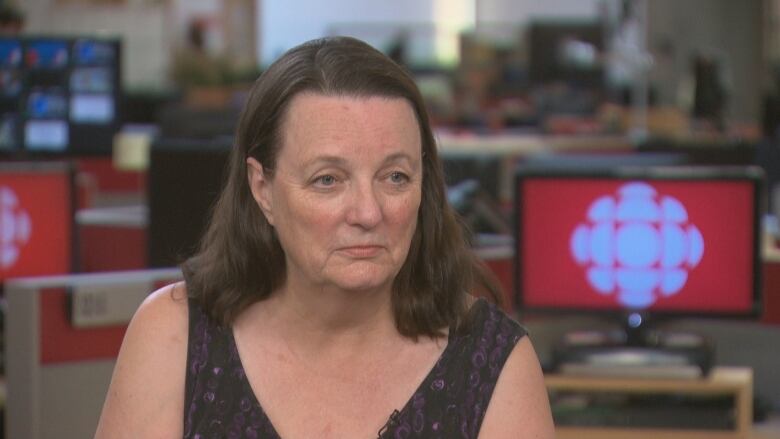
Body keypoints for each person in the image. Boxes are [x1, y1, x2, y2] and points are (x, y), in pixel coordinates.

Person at [95, 36, 554, 438]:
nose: (368, 212)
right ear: (262, 190)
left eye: (395, 177)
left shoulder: (491, 362)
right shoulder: (175, 338)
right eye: (328, 180)